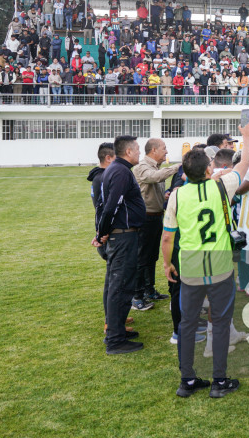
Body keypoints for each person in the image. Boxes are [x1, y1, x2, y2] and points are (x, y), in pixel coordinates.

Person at [161, 122, 249, 399]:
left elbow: (167, 238)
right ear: (207, 170)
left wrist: (167, 264)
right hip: (220, 266)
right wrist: (246, 137)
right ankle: (219, 381)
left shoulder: (177, 194)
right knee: (221, 322)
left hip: (190, 266)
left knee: (188, 323)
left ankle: (187, 380)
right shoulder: (221, 185)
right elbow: (245, 164)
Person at [97, 135, 147, 354]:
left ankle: (116, 330)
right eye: (137, 149)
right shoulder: (120, 172)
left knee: (116, 284)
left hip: (121, 236)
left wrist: (102, 232)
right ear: (128, 151)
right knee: (120, 286)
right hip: (123, 237)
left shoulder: (117, 169)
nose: (139, 152)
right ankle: (115, 340)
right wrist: (102, 232)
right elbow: (110, 206)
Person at [89, 142, 135, 335]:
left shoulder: (103, 176)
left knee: (114, 280)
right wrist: (102, 233)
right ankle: (111, 322)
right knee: (114, 281)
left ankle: (115, 318)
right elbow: (104, 208)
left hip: (108, 231)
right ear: (108, 158)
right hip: (111, 234)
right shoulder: (102, 178)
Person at [132, 138, 181, 311]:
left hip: (155, 217)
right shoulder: (142, 167)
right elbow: (154, 177)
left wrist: (165, 195)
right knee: (142, 258)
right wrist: (179, 167)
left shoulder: (155, 167)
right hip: (145, 219)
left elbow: (153, 187)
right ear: (154, 150)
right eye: (164, 148)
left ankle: (149, 290)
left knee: (151, 257)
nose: (166, 151)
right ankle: (137, 296)